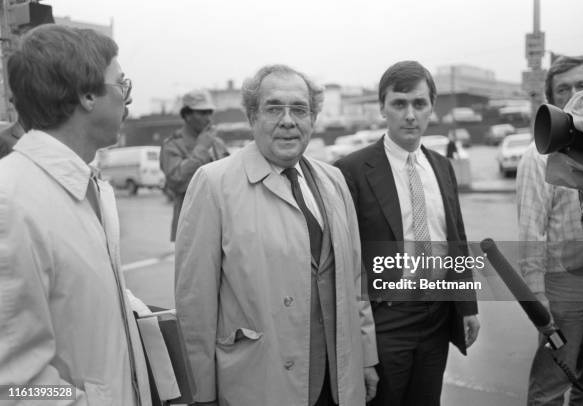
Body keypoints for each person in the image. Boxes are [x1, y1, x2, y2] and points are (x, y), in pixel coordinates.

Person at [175, 64, 379, 406]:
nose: (288, 120)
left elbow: (356, 277)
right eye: (274, 108)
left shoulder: (334, 182)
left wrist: (367, 356)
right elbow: (195, 303)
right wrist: (202, 392)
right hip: (259, 383)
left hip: (337, 382)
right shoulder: (213, 184)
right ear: (252, 117)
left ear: (313, 119)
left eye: (299, 109)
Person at [0, 24, 151, 404]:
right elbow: (11, 384)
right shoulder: (10, 203)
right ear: (86, 95)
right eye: (122, 85)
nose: (128, 101)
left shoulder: (88, 185)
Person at [335, 60, 479, 406]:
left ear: (432, 106)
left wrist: (467, 306)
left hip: (437, 316)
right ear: (382, 107)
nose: (410, 114)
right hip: (387, 320)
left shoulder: (442, 167)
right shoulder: (351, 171)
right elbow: (345, 264)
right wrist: (362, 346)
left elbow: (455, 239)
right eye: (399, 104)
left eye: (419, 103)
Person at [517, 55, 583, 405]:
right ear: (552, 101)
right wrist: (537, 302)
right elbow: (530, 235)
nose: (574, 94)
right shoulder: (537, 156)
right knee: (551, 387)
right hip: (564, 292)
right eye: (563, 89)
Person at [159, 89, 228, 241]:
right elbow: (177, 181)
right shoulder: (173, 145)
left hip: (222, 225)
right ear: (187, 115)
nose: (208, 118)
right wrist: (201, 149)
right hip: (191, 227)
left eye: (210, 112)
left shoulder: (217, 144)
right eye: (202, 113)